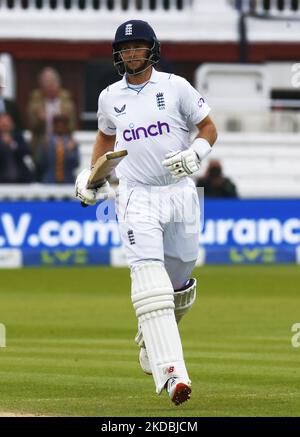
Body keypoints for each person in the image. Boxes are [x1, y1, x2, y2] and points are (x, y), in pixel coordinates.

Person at [75, 20, 217, 405]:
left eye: (137, 47)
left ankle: (148, 342)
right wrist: (94, 175)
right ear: (117, 54)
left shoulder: (176, 87)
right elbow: (106, 136)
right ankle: (174, 376)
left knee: (180, 282)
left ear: (151, 50)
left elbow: (208, 128)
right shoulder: (109, 97)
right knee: (150, 281)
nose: (131, 53)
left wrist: (194, 154)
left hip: (181, 194)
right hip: (137, 196)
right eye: (125, 48)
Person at [27, 67, 77, 171]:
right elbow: (31, 126)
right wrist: (41, 119)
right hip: (42, 143)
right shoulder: (36, 100)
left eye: (52, 83)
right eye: (46, 84)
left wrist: (66, 118)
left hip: (64, 143)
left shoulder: (66, 100)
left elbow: (72, 127)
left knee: (72, 151)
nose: (50, 87)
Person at [37, 113, 79, 184]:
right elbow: (41, 163)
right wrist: (44, 149)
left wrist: (70, 151)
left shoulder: (71, 142)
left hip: (67, 181)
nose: (60, 126)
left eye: (63, 124)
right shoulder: (47, 141)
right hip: (49, 181)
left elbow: (76, 164)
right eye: (57, 124)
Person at [0, 113, 35, 183]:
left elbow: (26, 152)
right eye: (2, 122)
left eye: (7, 122)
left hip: (19, 178)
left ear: (12, 124)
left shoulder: (18, 136)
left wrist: (12, 144)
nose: (5, 125)